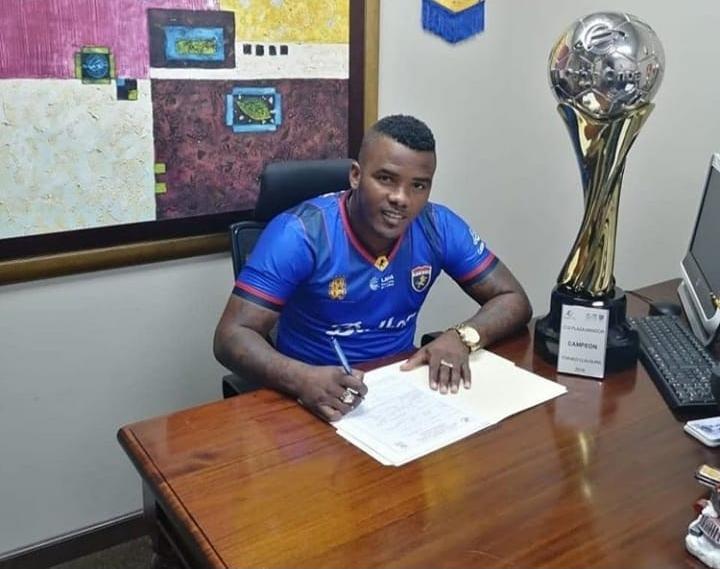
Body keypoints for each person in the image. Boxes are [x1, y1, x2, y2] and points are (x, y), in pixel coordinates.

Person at [214, 114, 532, 422]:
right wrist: (301, 378)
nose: (401, 198)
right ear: (355, 176)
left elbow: (513, 299)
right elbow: (231, 336)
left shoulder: (438, 227)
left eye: (418, 185)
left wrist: (461, 337)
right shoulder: (301, 233)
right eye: (385, 179)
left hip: (400, 388)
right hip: (310, 395)